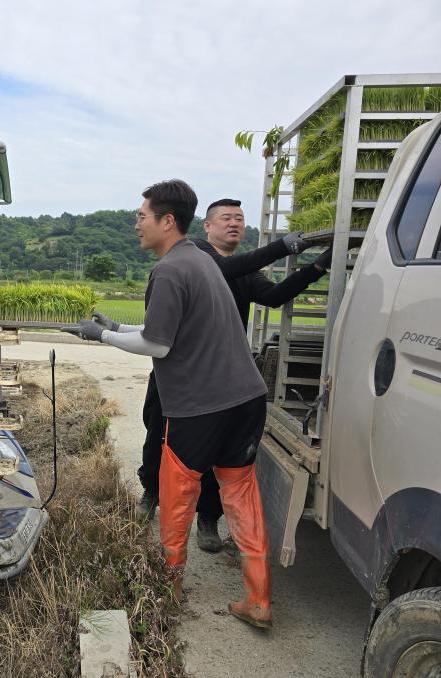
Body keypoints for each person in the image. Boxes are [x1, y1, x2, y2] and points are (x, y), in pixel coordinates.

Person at [65, 179, 274, 628]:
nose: (135, 224)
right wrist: (117, 325)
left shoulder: (169, 269)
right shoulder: (198, 259)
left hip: (202, 406)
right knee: (241, 495)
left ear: (166, 221)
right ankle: (259, 599)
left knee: (178, 495)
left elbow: (158, 345)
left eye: (142, 216)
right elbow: (175, 327)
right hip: (247, 399)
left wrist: (99, 336)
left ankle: (169, 585)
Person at [121, 198, 333, 552]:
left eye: (239, 218)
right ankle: (151, 493)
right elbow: (224, 268)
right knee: (158, 431)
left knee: (216, 452)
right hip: (176, 373)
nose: (233, 223)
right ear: (206, 226)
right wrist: (281, 246)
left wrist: (320, 266)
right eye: (225, 218)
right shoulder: (197, 253)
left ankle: (207, 519)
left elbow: (276, 295)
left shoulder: (245, 269)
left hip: (219, 381)